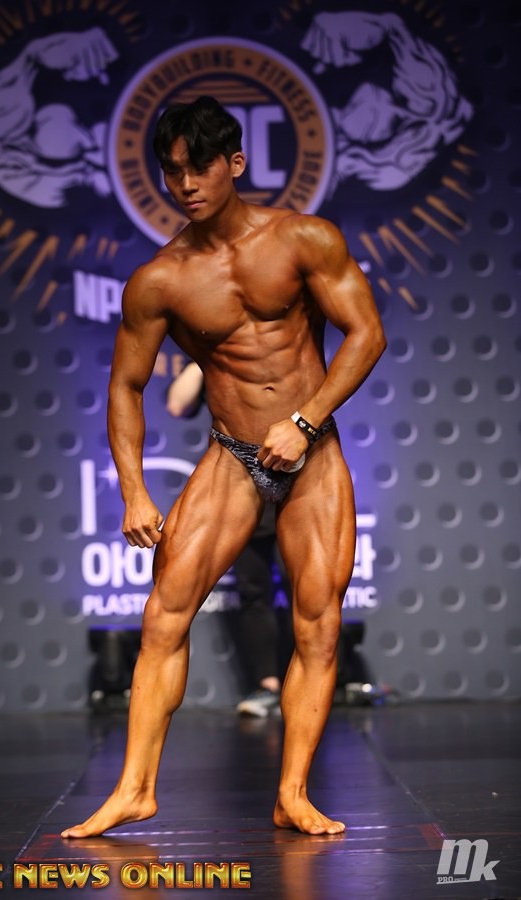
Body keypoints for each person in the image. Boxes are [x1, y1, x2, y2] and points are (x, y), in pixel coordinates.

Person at [62, 95, 386, 838]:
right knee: (163, 616)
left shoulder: (303, 239)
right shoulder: (160, 280)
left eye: (200, 166)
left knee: (318, 626)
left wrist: (304, 422)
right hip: (232, 455)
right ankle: (135, 790)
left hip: (313, 451)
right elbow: (126, 388)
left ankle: (292, 794)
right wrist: (135, 492)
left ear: (234, 163)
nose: (186, 183)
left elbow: (367, 334)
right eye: (173, 171)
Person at [166, 361, 290, 718]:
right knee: (253, 591)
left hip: (297, 481)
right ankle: (268, 686)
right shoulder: (217, 359)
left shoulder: (280, 348)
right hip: (244, 488)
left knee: (310, 591)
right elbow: (177, 405)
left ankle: (314, 683)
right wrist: (203, 357)